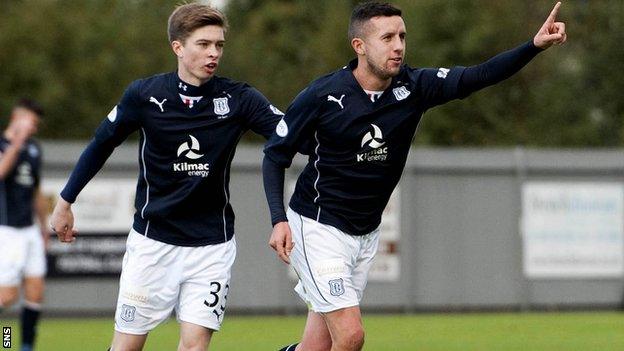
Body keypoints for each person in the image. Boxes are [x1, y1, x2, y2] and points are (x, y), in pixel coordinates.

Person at [263, 2, 567, 351]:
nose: (398, 46)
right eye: (387, 37)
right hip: (318, 227)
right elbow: (275, 154)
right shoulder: (323, 95)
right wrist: (278, 219)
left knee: (317, 345)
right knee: (350, 336)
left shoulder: (414, 86)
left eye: (402, 36)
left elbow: (476, 76)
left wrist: (534, 46)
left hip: (364, 233)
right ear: (359, 46)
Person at [49, 3, 284, 351]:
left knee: (193, 347)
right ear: (178, 47)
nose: (213, 53)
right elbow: (101, 144)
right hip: (152, 243)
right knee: (126, 346)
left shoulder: (239, 98)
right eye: (203, 44)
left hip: (211, 247)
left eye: (218, 45)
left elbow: (289, 134)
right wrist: (65, 202)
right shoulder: (145, 95)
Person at [0, 99, 48, 351]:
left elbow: (36, 191)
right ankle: (5, 341)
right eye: (31, 121)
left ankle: (26, 347)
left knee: (35, 293)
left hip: (29, 230)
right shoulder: (4, 145)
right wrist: (16, 142)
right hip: (6, 230)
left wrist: (43, 226)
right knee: (6, 298)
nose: (34, 128)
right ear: (17, 118)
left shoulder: (35, 149)